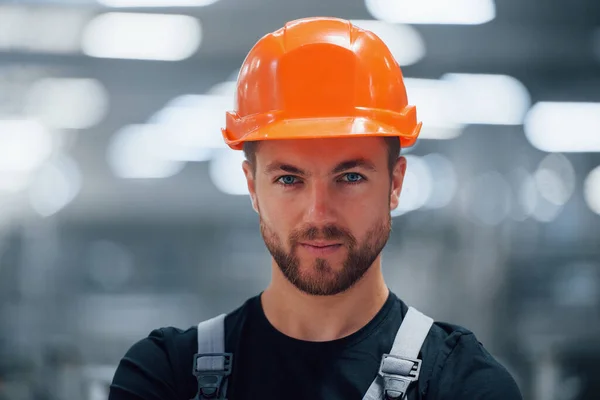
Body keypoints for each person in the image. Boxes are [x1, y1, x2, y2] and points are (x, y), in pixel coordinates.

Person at [109, 17, 523, 400]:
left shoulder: (463, 384)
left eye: (350, 178)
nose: (319, 215)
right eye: (289, 179)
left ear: (395, 183)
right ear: (253, 187)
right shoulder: (165, 377)